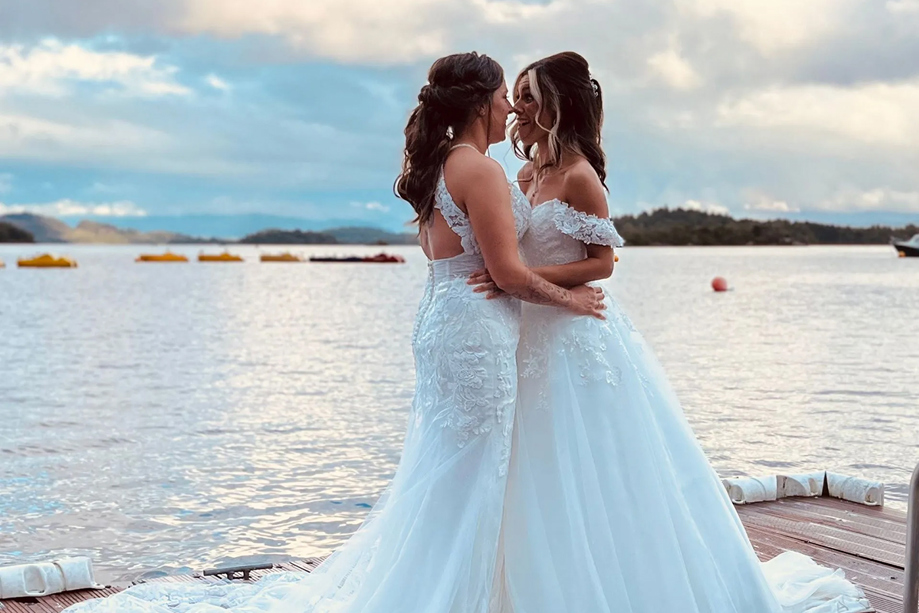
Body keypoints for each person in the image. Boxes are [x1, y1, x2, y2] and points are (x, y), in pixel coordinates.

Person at [64, 51, 604, 613]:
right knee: (474, 467)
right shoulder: (482, 170)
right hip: (476, 329)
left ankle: (455, 587)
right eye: (500, 100)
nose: (509, 110)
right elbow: (507, 275)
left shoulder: (439, 166)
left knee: (446, 464)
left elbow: (458, 261)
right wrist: (574, 300)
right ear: (476, 104)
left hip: (444, 319)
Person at [471, 51, 872, 613]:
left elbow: (603, 263)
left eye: (530, 95)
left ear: (559, 105)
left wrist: (519, 277)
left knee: (591, 459)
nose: (518, 106)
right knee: (531, 465)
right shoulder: (525, 173)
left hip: (575, 332)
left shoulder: (580, 176)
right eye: (515, 94)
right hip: (529, 331)